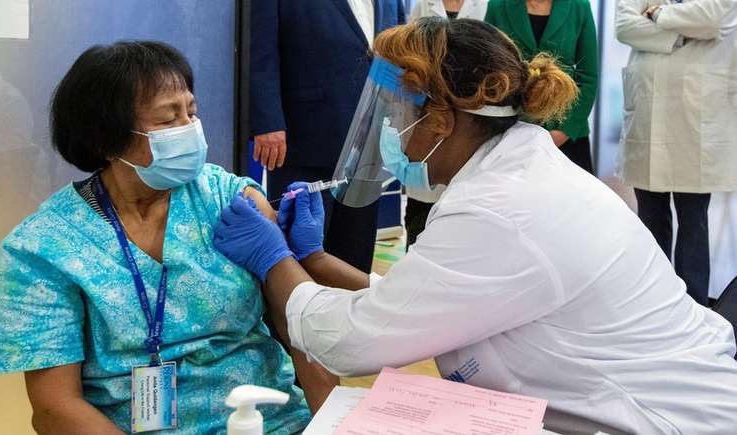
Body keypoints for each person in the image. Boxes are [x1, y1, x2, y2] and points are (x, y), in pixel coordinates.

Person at [213, 18, 737, 434]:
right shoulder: (514, 172)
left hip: (665, 420)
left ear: (440, 121)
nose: (391, 130)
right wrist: (317, 261)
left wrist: (273, 258)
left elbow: (352, 342)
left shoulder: (502, 209)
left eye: (395, 115)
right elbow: (430, 302)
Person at [0, 41, 333, 434]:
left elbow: (304, 330)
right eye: (168, 120)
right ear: (105, 139)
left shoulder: (232, 203)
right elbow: (56, 407)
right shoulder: (43, 247)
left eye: (192, 112)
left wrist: (331, 425)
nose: (189, 129)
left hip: (267, 421)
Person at [249, 0, 406, 273]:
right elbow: (260, 53)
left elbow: (403, 51)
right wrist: (268, 122)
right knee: (301, 249)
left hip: (370, 140)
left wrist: (401, 116)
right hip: (306, 134)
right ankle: (292, 313)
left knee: (356, 249)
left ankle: (350, 309)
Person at [616, 0, 737, 306]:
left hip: (695, 118)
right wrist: (681, 34)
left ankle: (693, 304)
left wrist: (658, 14)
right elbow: (625, 26)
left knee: (693, 219)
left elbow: (712, 20)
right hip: (648, 112)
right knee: (650, 218)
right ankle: (652, 300)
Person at [405, 0, 489, 248]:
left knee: (462, 219)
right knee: (421, 218)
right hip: (429, 117)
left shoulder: (486, 5)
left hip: (470, 119)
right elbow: (409, 55)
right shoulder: (423, 5)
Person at [484, 0, 598, 175]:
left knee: (570, 199)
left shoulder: (579, 6)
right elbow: (487, 70)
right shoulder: (498, 6)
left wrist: (565, 130)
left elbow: (588, 77)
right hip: (511, 130)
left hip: (566, 128)